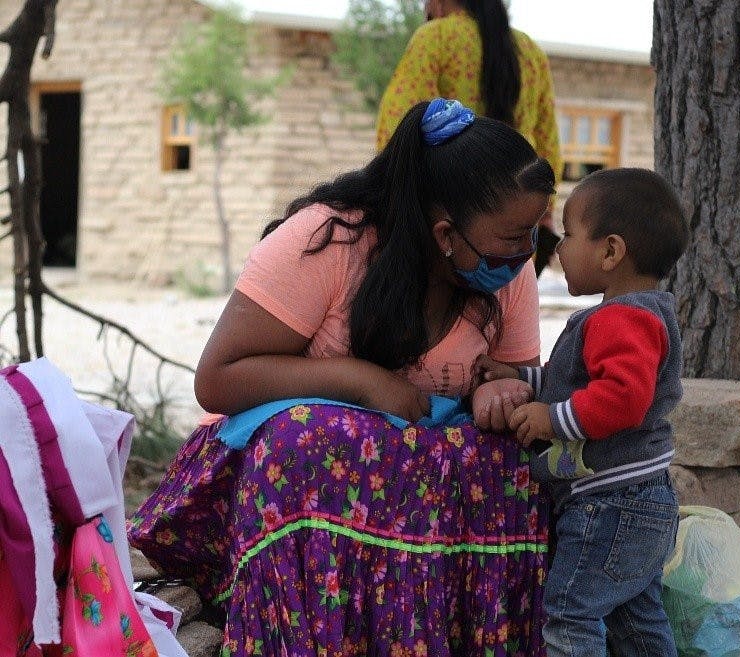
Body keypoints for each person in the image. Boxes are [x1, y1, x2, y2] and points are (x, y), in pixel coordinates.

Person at [128, 99, 555, 657]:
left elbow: (513, 377)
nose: (528, 253)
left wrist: (502, 389)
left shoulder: (508, 273)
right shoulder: (329, 239)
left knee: (522, 463)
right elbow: (218, 379)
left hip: (417, 466)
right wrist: (359, 382)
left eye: (533, 235)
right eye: (516, 236)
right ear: (446, 234)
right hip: (292, 469)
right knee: (306, 441)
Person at [476, 168, 689, 656]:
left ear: (611, 252)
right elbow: (573, 381)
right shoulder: (636, 313)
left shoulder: (623, 318)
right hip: (638, 502)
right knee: (635, 623)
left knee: (570, 613)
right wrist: (516, 376)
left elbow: (622, 398)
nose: (560, 247)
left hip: (613, 503)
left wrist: (551, 420)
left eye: (570, 235)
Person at [376, 0, 563, 276]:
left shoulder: (436, 38)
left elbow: (398, 129)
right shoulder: (531, 53)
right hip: (515, 238)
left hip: (447, 228)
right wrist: (543, 213)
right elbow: (549, 146)